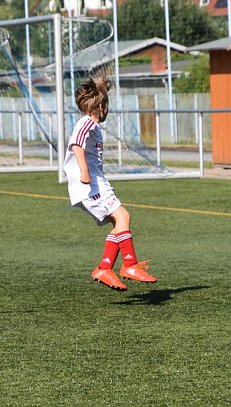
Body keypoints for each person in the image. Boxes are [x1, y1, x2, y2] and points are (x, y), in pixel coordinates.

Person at [62, 77, 157, 290]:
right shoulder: (86, 122)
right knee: (123, 216)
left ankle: (104, 268)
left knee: (119, 222)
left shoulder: (91, 125)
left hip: (95, 183)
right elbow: (76, 144)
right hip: (90, 185)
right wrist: (84, 171)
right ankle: (129, 265)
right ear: (101, 106)